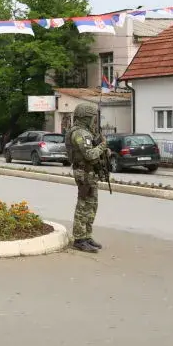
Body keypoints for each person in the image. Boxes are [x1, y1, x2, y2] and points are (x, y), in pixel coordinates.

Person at [65, 103, 108, 252]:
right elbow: (89, 154)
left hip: (89, 173)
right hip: (83, 173)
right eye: (92, 118)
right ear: (85, 118)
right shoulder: (80, 133)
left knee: (92, 205)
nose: (94, 121)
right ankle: (79, 239)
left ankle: (87, 235)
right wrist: (102, 146)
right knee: (83, 205)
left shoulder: (86, 132)